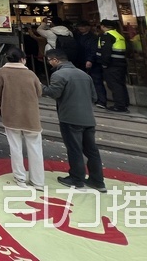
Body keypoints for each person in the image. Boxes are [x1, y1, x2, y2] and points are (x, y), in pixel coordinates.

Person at [42, 49, 106, 192]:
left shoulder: (58, 75)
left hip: (69, 117)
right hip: (88, 118)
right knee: (92, 151)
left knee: (74, 149)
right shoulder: (84, 75)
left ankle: (76, 178)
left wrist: (40, 87)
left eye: (49, 60)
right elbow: (94, 97)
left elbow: (54, 93)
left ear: (55, 60)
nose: (49, 63)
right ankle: (97, 181)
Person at [0, 45, 45, 188]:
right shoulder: (31, 74)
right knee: (35, 148)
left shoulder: (2, 72)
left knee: (15, 147)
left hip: (11, 114)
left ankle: (20, 178)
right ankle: (38, 181)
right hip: (31, 116)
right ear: (22, 59)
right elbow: (39, 92)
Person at [96, 19, 129, 112]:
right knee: (120, 84)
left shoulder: (107, 36)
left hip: (112, 64)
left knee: (114, 85)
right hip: (121, 63)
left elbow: (106, 51)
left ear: (103, 26)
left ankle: (119, 106)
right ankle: (124, 103)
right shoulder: (119, 35)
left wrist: (104, 64)